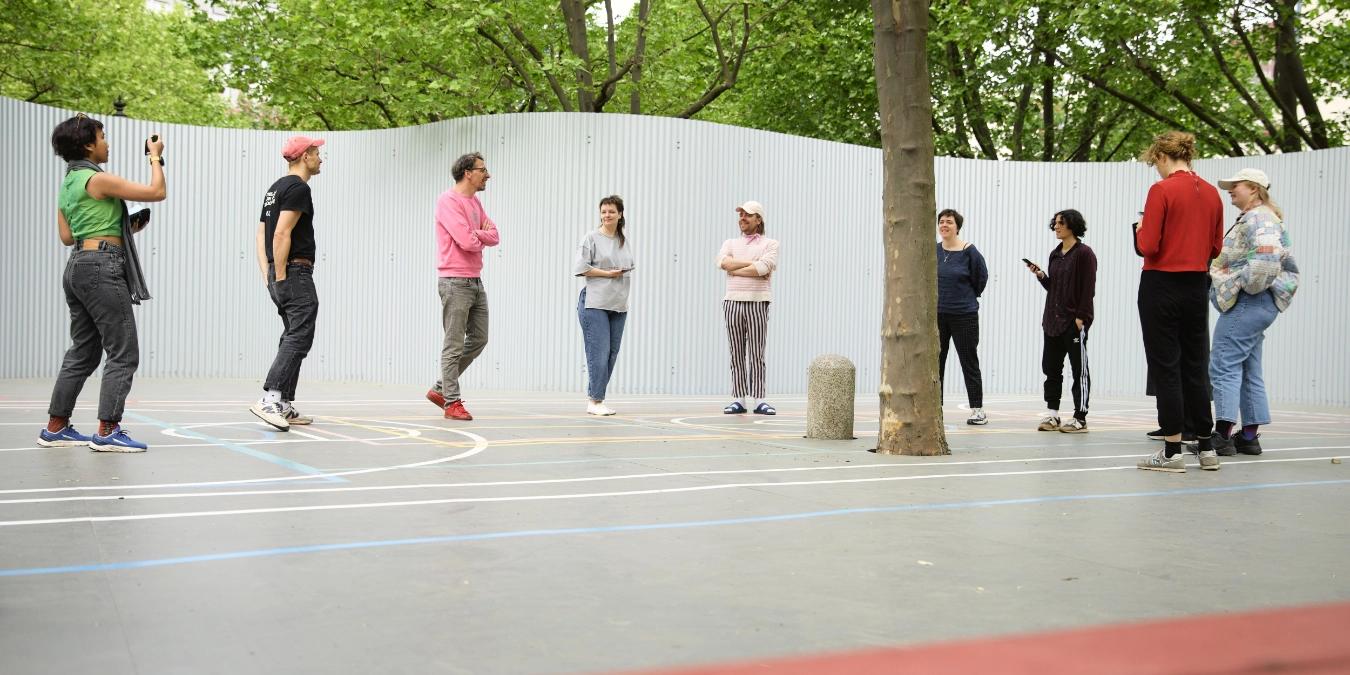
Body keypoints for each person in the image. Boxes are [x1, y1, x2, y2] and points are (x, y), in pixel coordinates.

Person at [39, 114, 165, 452]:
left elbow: (68, 237)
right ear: (88, 145)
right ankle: (108, 430)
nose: (107, 143)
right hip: (101, 268)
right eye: (103, 136)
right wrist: (155, 156)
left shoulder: (68, 184)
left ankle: (56, 426)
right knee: (123, 352)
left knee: (83, 351)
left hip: (78, 266)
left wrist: (123, 228)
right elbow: (157, 191)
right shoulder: (97, 179)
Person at [1133, 131, 1224, 473]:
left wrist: (1140, 229)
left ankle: (1172, 451)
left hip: (1161, 283)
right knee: (1196, 365)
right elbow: (1215, 249)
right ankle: (1205, 447)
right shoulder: (1213, 193)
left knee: (1165, 366)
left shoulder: (1162, 190)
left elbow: (1149, 245)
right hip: (1196, 284)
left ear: (1161, 157)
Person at [1209, 168, 1299, 456]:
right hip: (1261, 302)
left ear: (1254, 188)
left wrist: (1245, 288)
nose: (1230, 190)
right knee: (1249, 367)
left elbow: (1266, 258)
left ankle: (1221, 434)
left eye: (1236, 186)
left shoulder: (1260, 217)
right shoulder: (1261, 216)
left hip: (1250, 301)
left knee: (1223, 363)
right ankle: (1248, 436)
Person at [249, 136, 325, 431]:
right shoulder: (298, 188)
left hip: (279, 271)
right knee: (299, 335)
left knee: (293, 333)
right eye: (317, 153)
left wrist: (267, 272)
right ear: (305, 156)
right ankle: (270, 398)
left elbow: (260, 234)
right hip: (294, 271)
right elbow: (281, 234)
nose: (321, 159)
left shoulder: (275, 189)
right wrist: (280, 274)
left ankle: (283, 403)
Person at [425, 152, 500, 421]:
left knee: (480, 338)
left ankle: (440, 388)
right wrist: (479, 234)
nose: (487, 174)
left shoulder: (475, 203)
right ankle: (451, 402)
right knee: (453, 344)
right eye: (483, 170)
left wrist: (476, 234)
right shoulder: (448, 201)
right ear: (468, 172)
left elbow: (494, 236)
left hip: (475, 280)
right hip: (454, 282)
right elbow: (467, 242)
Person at [1024, 209, 1096, 434]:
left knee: (1079, 370)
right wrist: (1042, 277)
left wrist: (1081, 318)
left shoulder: (1085, 254)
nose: (1056, 227)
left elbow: (1088, 289)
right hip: (1052, 322)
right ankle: (1053, 414)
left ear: (1072, 226)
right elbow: (1053, 288)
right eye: (1054, 223)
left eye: (1060, 223)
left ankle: (1080, 417)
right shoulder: (1055, 254)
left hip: (1073, 322)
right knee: (1051, 369)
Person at [573, 195, 635, 416]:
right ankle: (595, 401)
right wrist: (608, 273)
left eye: (611, 211)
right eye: (603, 211)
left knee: (611, 353)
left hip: (618, 304)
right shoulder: (591, 237)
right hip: (594, 303)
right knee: (598, 353)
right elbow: (581, 267)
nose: (607, 215)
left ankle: (598, 398)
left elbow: (628, 265)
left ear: (620, 214)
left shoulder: (623, 240)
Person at [717, 201, 779, 415]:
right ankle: (739, 399)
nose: (742, 218)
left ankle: (760, 399)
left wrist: (736, 268)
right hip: (732, 301)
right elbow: (723, 263)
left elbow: (763, 267)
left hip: (758, 301)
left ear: (758, 219)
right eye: (741, 214)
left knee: (756, 352)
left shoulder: (771, 244)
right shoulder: (730, 243)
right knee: (736, 352)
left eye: (748, 215)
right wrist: (751, 265)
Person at [935, 209, 989, 425]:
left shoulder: (970, 251)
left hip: (964, 315)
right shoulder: (934, 250)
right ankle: (934, 408)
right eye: (941, 222)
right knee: (936, 362)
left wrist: (968, 297)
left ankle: (977, 410)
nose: (944, 225)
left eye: (949, 222)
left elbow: (981, 278)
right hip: (938, 315)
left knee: (969, 361)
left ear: (957, 226)